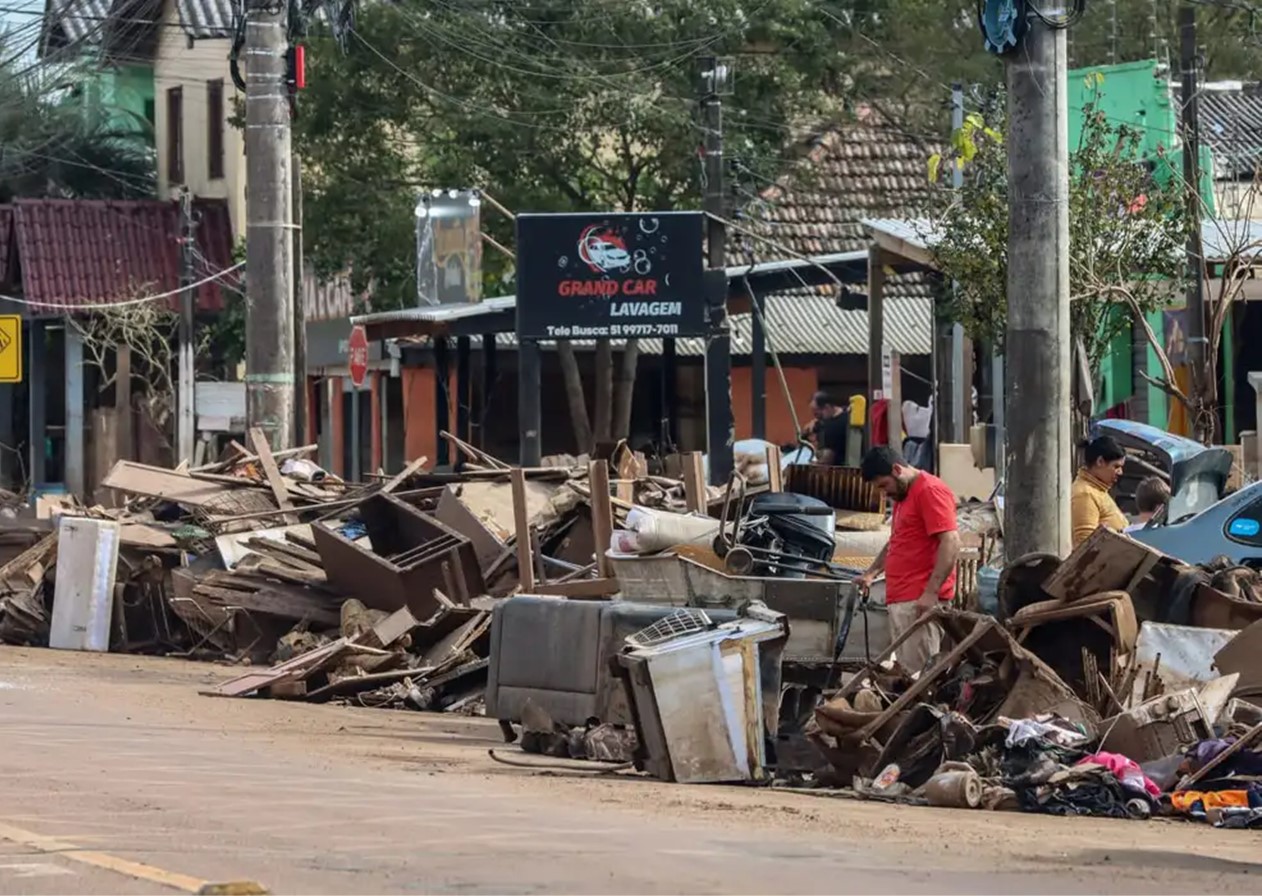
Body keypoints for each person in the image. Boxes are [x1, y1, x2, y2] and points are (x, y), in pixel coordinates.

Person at [856, 446, 961, 674]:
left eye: (884, 485)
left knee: (921, 678)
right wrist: (871, 573)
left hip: (919, 601)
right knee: (909, 674)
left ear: (897, 469)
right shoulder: (904, 496)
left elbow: (950, 542)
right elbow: (897, 540)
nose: (885, 493)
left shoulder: (929, 490)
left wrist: (931, 592)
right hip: (905, 600)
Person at [1071, 436, 1129, 547]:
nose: (1120, 472)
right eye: (1116, 466)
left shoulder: (1098, 490)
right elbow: (1085, 546)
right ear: (1100, 461)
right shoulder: (1085, 494)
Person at [802, 391, 849, 465]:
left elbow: (827, 459)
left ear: (827, 407)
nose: (817, 418)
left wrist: (814, 465)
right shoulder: (845, 414)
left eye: (817, 414)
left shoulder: (833, 427)